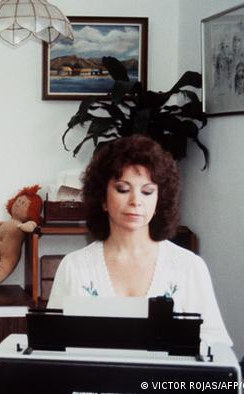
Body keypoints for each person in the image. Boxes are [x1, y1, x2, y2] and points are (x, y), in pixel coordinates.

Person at [47, 135, 232, 347]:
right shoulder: (74, 267)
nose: (136, 201)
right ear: (102, 199)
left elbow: (216, 350)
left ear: (159, 200)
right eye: (123, 189)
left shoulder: (189, 268)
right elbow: (53, 347)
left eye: (147, 191)